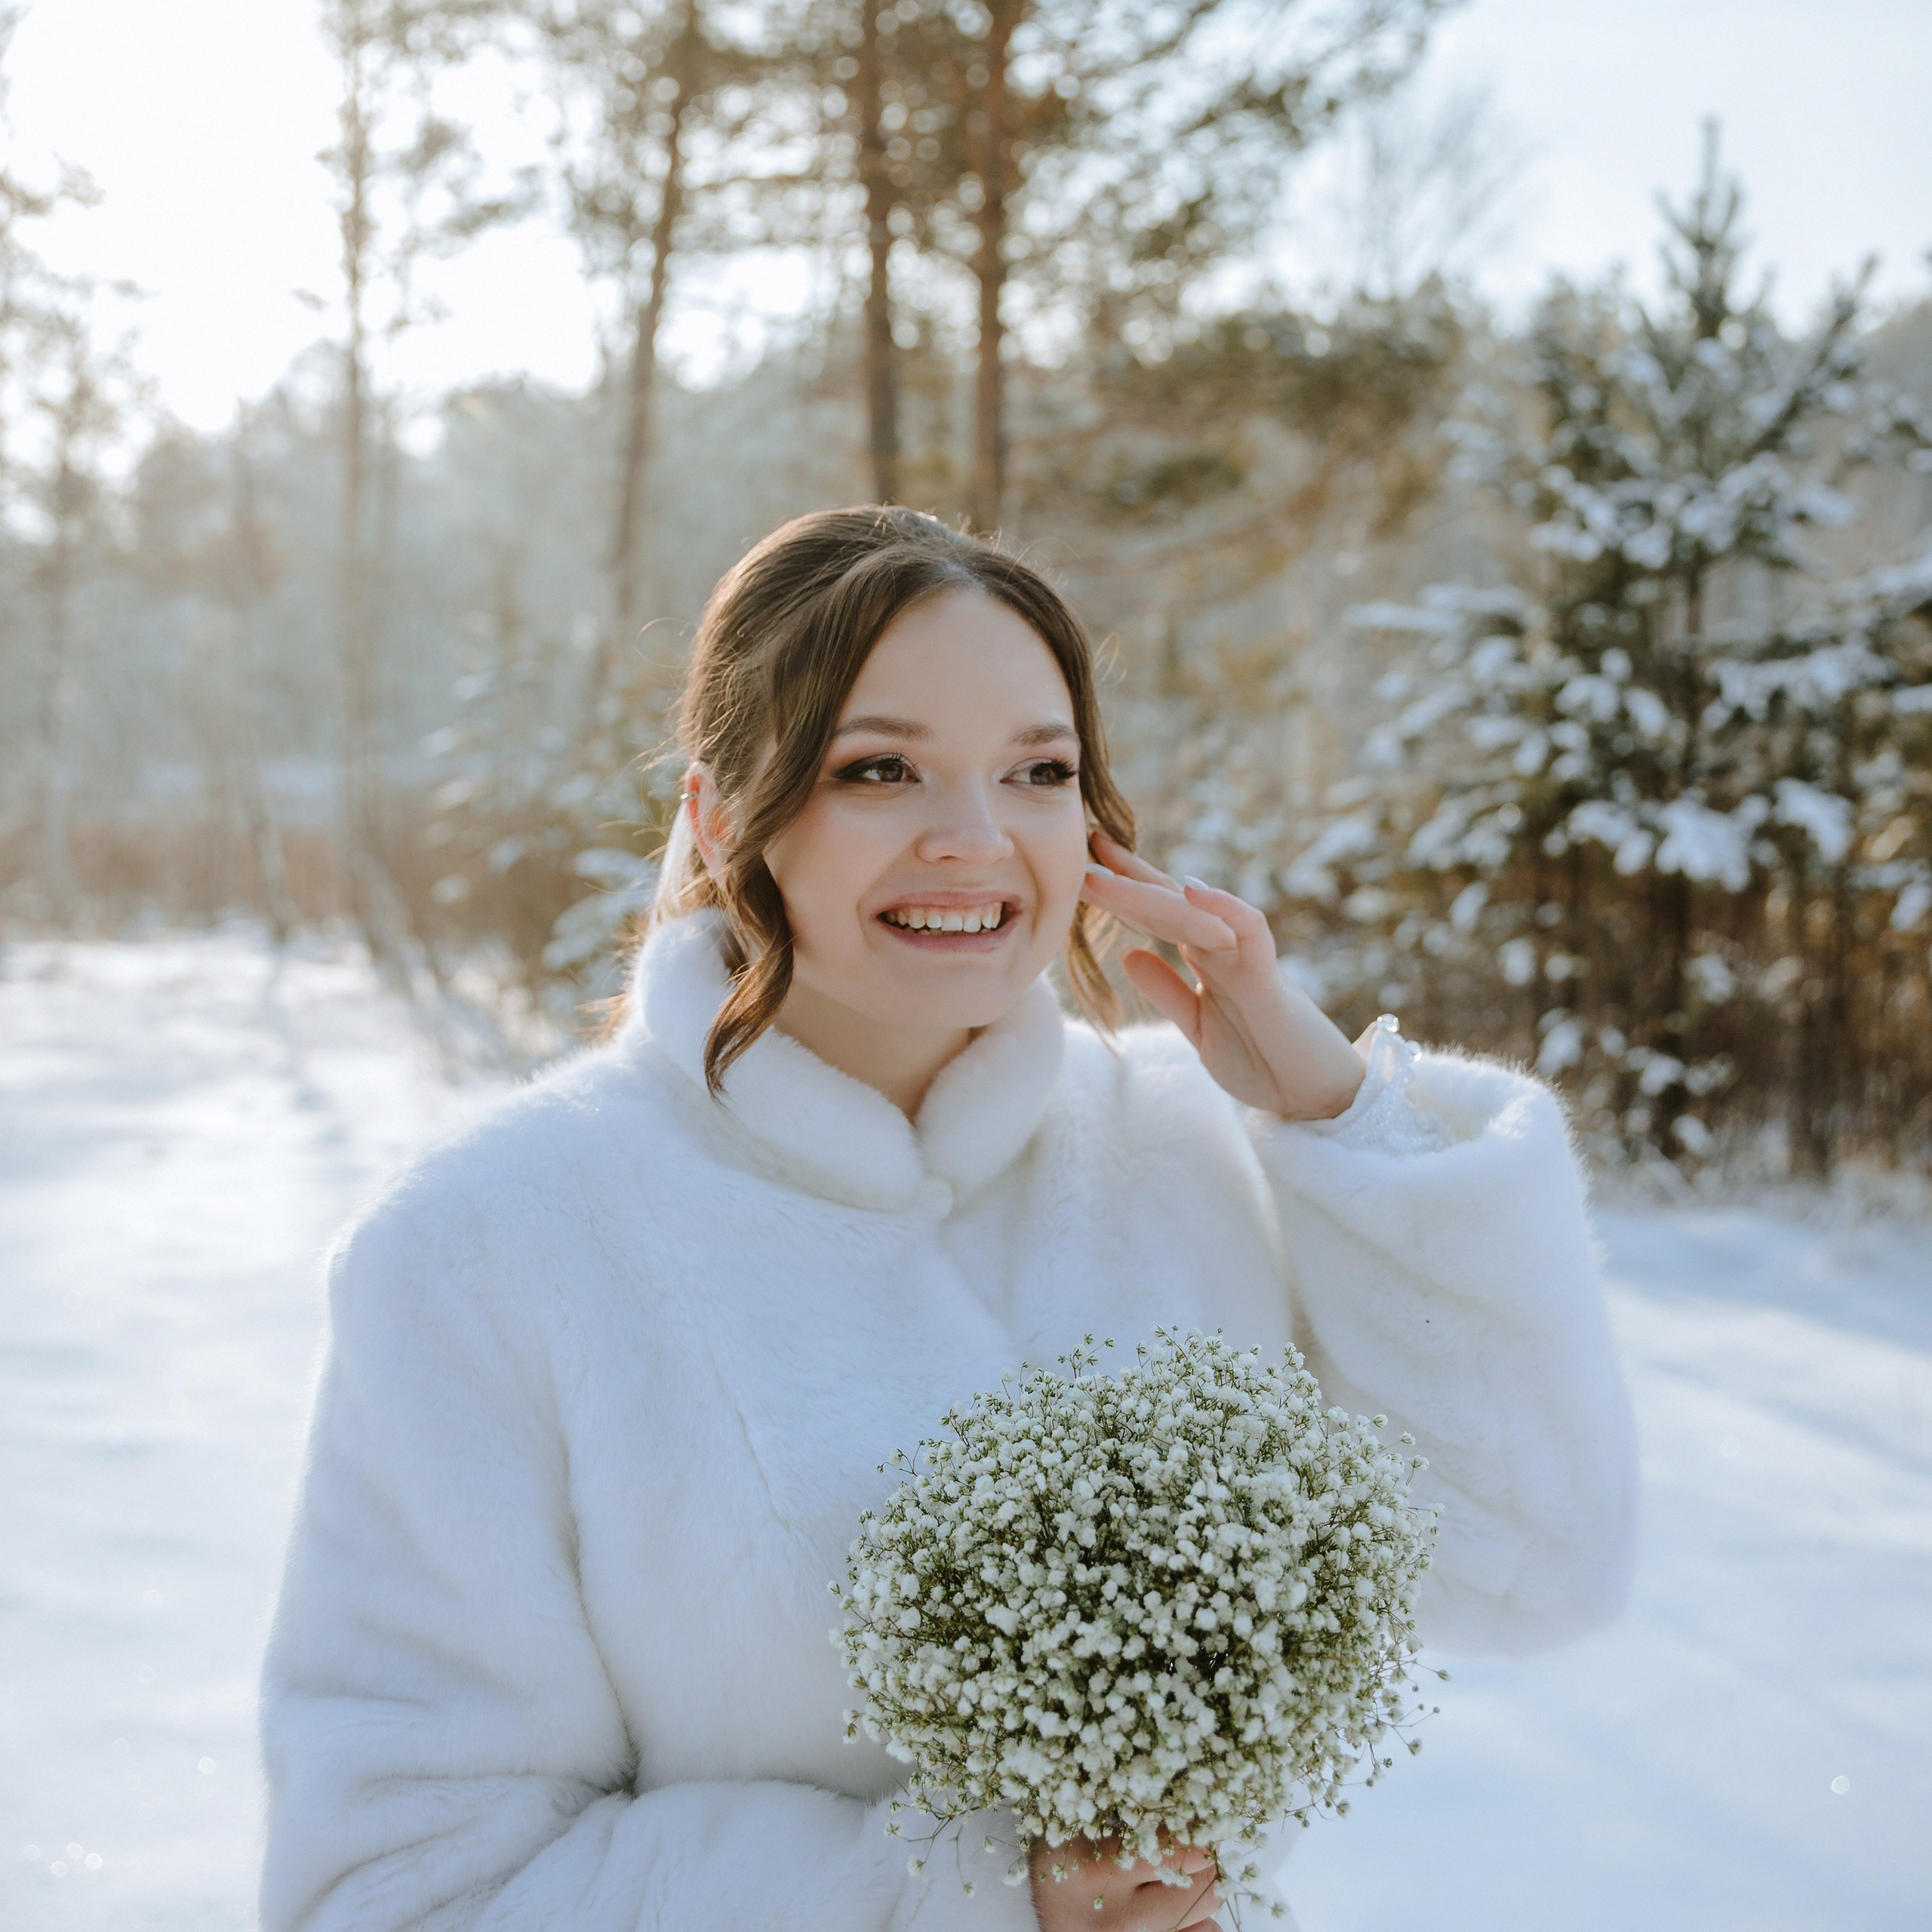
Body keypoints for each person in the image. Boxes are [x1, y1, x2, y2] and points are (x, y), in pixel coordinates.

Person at [258, 506, 1638, 1932]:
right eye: (881, 769)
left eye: (1039, 771)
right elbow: (400, 1892)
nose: (976, 841)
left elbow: (1536, 1566)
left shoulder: (1186, 1151)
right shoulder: (490, 1251)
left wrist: (1343, 1115)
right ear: (723, 817)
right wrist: (964, 1902)